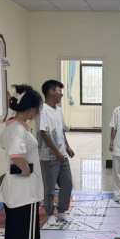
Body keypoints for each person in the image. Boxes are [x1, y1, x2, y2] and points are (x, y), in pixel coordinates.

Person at [0, 84, 44, 239]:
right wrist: (25, 169)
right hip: (24, 193)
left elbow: (3, 144)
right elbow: (15, 154)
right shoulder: (18, 129)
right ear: (31, 109)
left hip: (13, 191)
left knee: (14, 236)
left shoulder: (11, 126)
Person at [38, 80, 75, 226]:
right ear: (51, 91)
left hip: (62, 155)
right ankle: (49, 214)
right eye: (59, 91)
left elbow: (61, 131)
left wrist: (67, 147)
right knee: (50, 187)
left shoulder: (58, 110)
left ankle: (61, 211)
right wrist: (56, 152)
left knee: (67, 184)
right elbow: (44, 133)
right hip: (48, 157)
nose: (61, 94)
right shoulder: (43, 110)